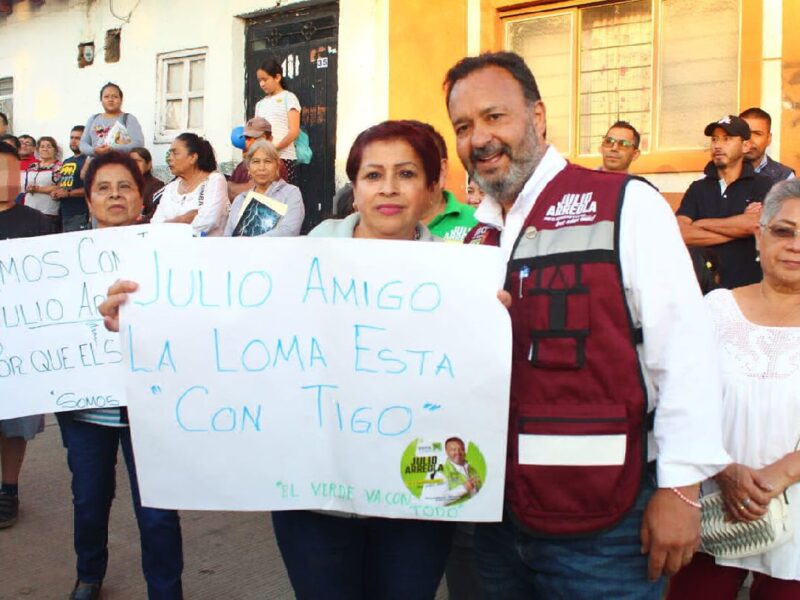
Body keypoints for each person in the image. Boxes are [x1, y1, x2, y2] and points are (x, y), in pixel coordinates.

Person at [445, 51, 730, 598]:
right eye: (463, 126)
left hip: (607, 526)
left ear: (538, 116)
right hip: (495, 518)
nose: (479, 138)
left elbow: (685, 352)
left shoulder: (624, 204)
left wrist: (683, 489)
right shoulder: (476, 240)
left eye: (494, 117)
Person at [58, 151, 183, 600]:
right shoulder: (57, 259)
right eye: (103, 189)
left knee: (158, 510)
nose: (115, 196)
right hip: (86, 409)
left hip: (151, 405)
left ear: (141, 198)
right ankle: (89, 575)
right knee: (89, 500)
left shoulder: (171, 253)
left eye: (124, 187)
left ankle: (166, 591)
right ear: (88, 200)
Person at [667, 178, 800, 599]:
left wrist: (781, 474)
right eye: (784, 231)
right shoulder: (714, 310)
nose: (795, 245)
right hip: (713, 508)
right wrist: (724, 470)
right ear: (758, 236)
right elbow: (676, 402)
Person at [0, 141, 51, 529]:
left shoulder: (34, 220)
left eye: (12, 170)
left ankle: (9, 490)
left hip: (18, 337)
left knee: (13, 421)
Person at [676, 115, 774, 288]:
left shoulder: (763, 184)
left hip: (746, 289)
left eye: (726, 139)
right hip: (702, 290)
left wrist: (700, 223)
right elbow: (680, 233)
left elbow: (755, 223)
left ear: (745, 145)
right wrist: (737, 229)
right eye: (714, 139)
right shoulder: (698, 188)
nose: (718, 145)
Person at [405, 120, 478, 242]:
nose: (389, 187)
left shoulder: (479, 224)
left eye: (407, 173)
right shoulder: (372, 228)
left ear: (441, 171)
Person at [150, 132, 227, 236]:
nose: (169, 158)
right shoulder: (170, 188)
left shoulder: (214, 181)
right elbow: (155, 226)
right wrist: (182, 219)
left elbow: (208, 222)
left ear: (193, 157)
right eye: (170, 153)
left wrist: (169, 226)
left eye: (175, 153)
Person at [223, 139, 304, 236]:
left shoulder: (291, 194)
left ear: (277, 166)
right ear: (248, 168)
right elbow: (228, 237)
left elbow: (289, 231)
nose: (262, 167)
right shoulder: (240, 200)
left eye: (268, 161)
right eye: (256, 161)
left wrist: (251, 243)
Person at [254, 59, 301, 184]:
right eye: (259, 81)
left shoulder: (288, 98)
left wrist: (275, 148)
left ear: (277, 77)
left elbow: (294, 131)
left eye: (265, 79)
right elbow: (257, 133)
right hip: (263, 159)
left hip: (284, 158)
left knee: (281, 198)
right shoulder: (260, 104)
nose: (262, 84)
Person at [227, 116, 287, 201]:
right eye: (247, 138)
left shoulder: (275, 164)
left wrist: (229, 187)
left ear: (270, 139)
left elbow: (254, 193)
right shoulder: (242, 165)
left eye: (255, 138)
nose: (249, 141)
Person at [79, 82, 144, 157]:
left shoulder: (128, 118)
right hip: (96, 165)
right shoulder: (93, 119)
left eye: (115, 97)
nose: (110, 99)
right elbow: (83, 144)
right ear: (101, 100)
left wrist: (113, 149)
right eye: (106, 97)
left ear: (121, 100)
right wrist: (94, 150)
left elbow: (138, 144)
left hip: (119, 165)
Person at [739, 107, 795, 183]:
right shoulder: (722, 172)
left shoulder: (784, 177)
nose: (749, 140)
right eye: (745, 132)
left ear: (768, 139)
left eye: (757, 134)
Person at [53, 125, 89, 232]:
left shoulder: (89, 161)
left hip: (81, 213)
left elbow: (92, 189)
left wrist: (68, 193)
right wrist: (56, 192)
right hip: (64, 213)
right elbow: (64, 184)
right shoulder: (67, 161)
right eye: (71, 137)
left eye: (78, 138)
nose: (73, 141)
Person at [23, 136, 62, 229]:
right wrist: (29, 188)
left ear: (55, 150)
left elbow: (61, 186)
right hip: (29, 210)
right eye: (42, 146)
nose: (45, 149)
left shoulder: (59, 167)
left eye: (49, 146)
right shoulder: (31, 166)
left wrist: (38, 189)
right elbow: (25, 185)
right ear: (38, 150)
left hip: (48, 212)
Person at [129, 147, 164, 223]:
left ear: (148, 164)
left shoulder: (156, 185)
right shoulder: (124, 185)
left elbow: (155, 213)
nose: (134, 164)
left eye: (138, 161)